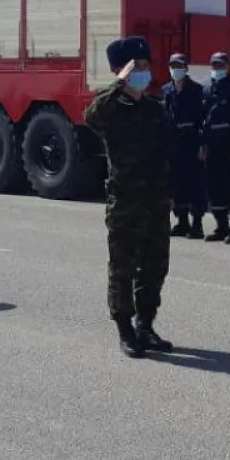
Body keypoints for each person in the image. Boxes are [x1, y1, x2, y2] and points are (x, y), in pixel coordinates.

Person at [83, 36, 175, 358]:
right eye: (137, 67)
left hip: (156, 201)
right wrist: (119, 84)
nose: (144, 72)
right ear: (119, 71)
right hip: (125, 201)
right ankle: (124, 329)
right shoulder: (108, 107)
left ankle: (145, 326)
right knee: (123, 267)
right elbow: (90, 117)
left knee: (155, 267)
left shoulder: (155, 109)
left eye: (146, 66)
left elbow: (168, 153)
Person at [200, 51, 230, 244]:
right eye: (214, 66)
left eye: (220, 65)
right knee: (214, 187)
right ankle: (221, 226)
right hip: (211, 146)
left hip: (229, 147)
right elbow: (201, 120)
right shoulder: (205, 90)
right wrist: (202, 145)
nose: (217, 69)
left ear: (228, 67)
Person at [162, 53, 207, 240]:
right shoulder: (166, 90)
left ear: (186, 68)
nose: (175, 69)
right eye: (172, 65)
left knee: (194, 184)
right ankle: (181, 221)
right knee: (175, 184)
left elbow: (204, 120)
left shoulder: (197, 91)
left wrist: (202, 144)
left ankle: (197, 224)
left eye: (179, 65)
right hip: (173, 144)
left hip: (192, 143)